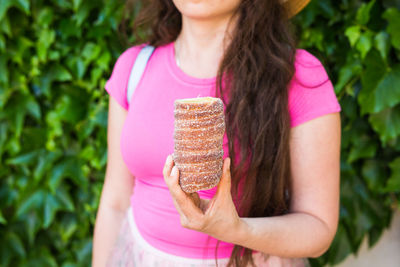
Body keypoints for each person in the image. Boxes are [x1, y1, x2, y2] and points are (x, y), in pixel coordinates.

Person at [92, 0, 342, 266]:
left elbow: (318, 228)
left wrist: (236, 230)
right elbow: (115, 202)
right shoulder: (134, 68)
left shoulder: (298, 76)